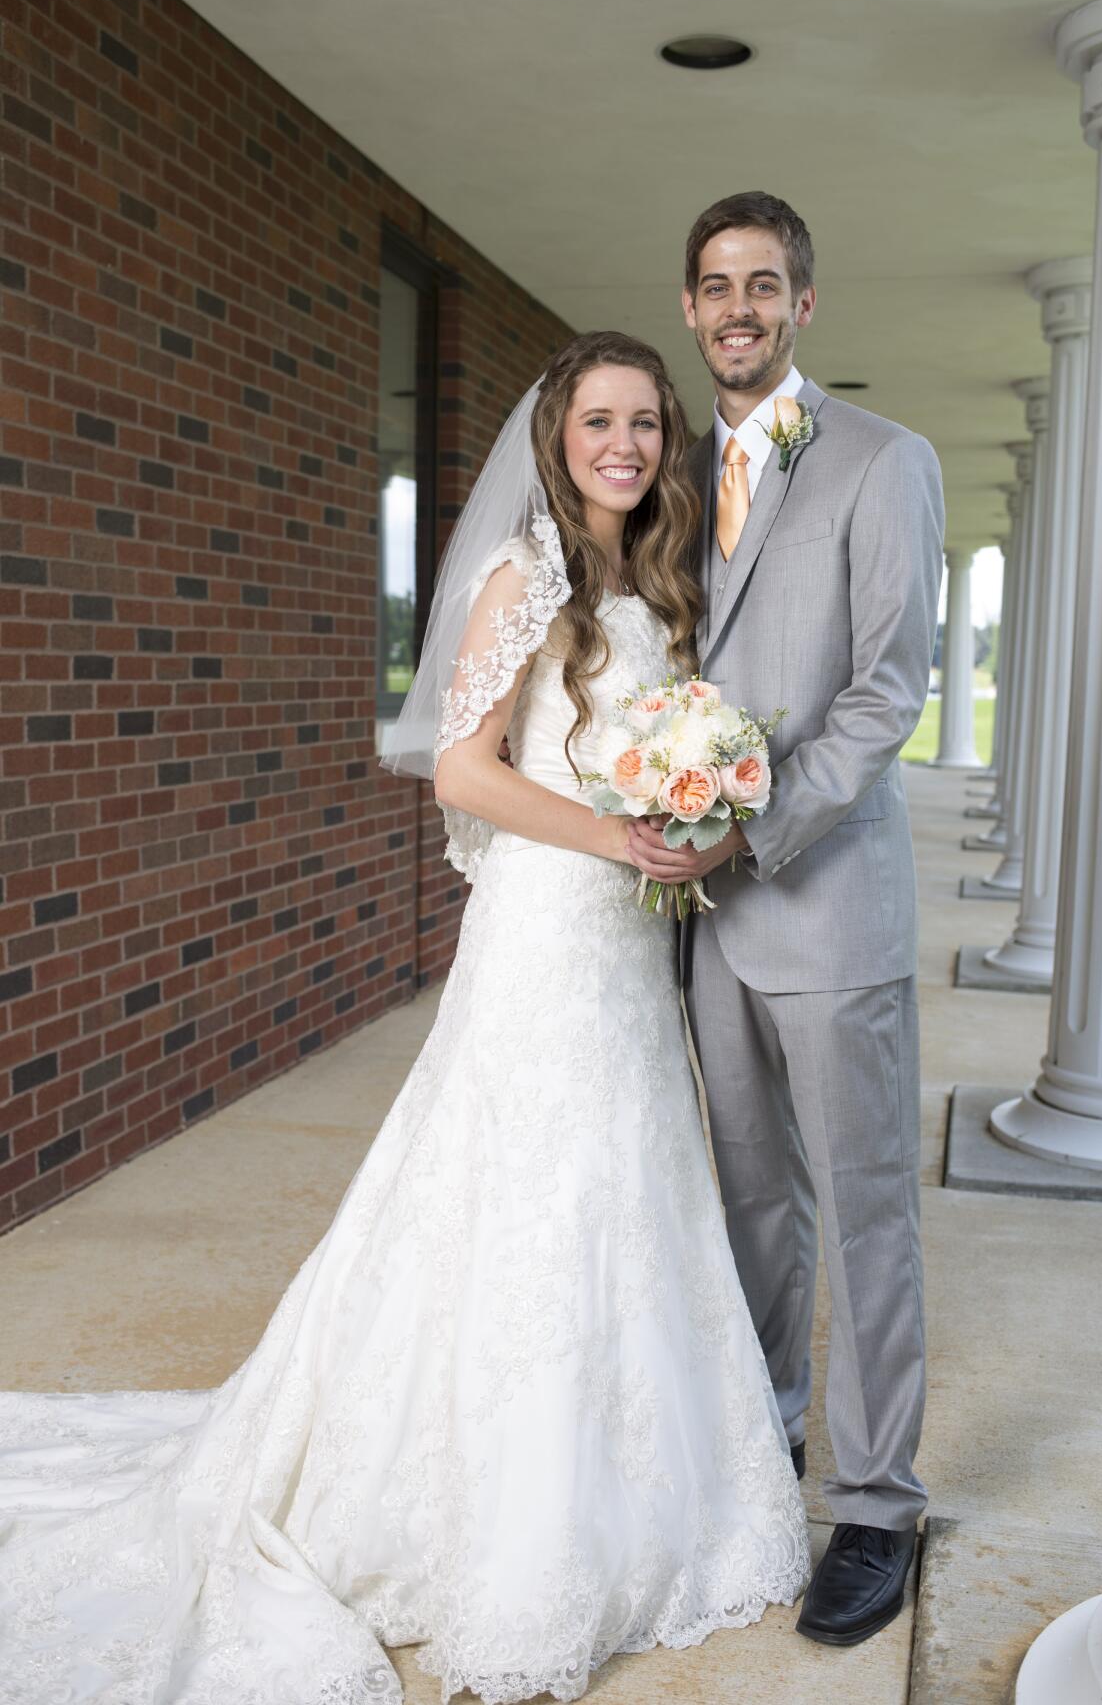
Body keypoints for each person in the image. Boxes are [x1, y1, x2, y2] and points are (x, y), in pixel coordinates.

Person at [0, 330, 807, 1705]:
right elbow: (464, 772)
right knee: (520, 1190)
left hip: (625, 942)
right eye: (599, 421)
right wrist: (621, 842)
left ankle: (632, 1487)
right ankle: (498, 1519)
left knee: (620, 1183)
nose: (624, 444)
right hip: (552, 929)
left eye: (646, 425)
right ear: (556, 439)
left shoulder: (657, 583)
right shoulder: (523, 576)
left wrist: (695, 815)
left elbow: (657, 761)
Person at [627, 193, 945, 1648]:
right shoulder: (672, 476)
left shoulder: (887, 464)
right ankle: (770, 1450)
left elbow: (889, 684)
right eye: (715, 287)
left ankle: (877, 1503)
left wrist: (757, 822)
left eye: (765, 285)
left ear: (803, 306)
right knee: (755, 1197)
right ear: (691, 313)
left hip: (824, 900)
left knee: (867, 1200)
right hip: (704, 927)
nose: (739, 308)